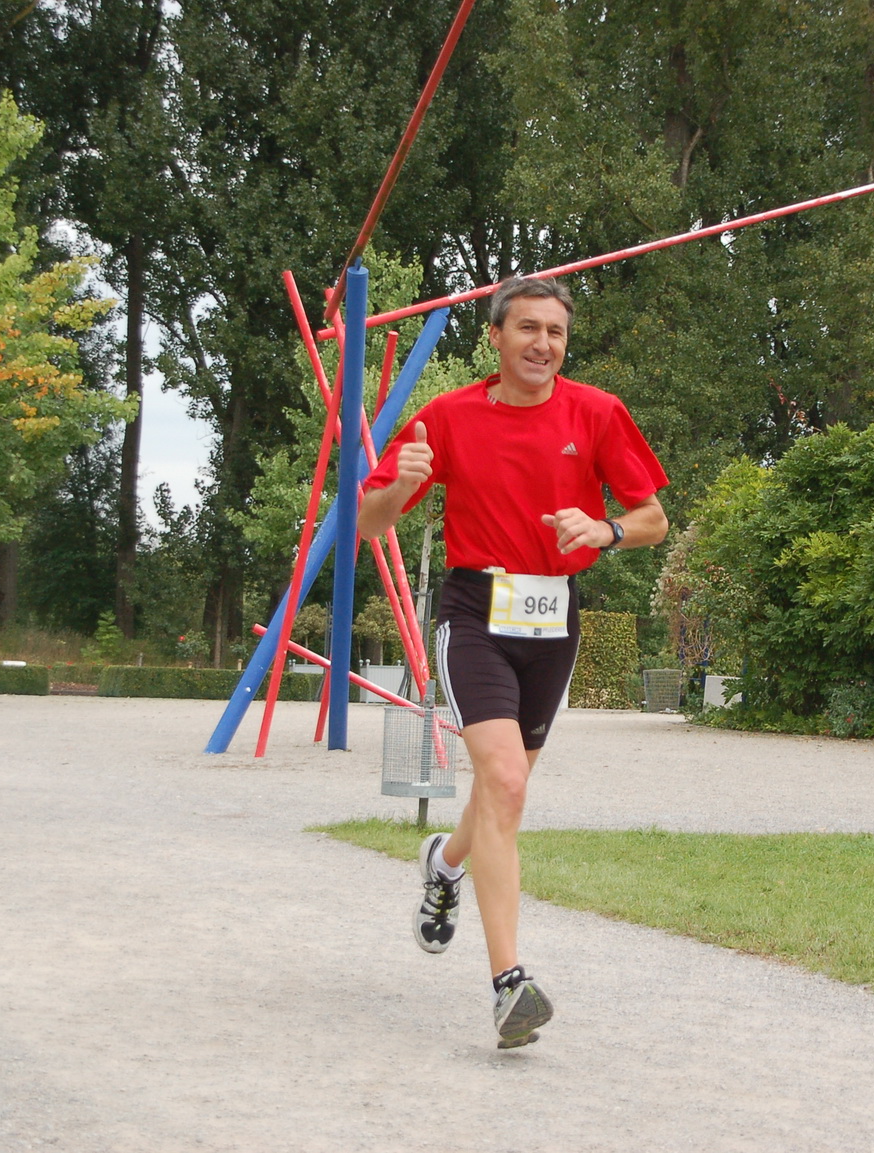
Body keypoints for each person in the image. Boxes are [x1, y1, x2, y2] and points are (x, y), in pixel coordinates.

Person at [359, 277, 669, 1049]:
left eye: (555, 332)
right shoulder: (446, 417)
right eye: (527, 327)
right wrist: (400, 487)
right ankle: (509, 985)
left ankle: (445, 863)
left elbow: (653, 519)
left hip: (553, 616)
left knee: (508, 786)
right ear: (495, 336)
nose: (542, 343)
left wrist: (604, 530)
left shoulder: (597, 413)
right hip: (476, 612)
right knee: (501, 779)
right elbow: (367, 520)